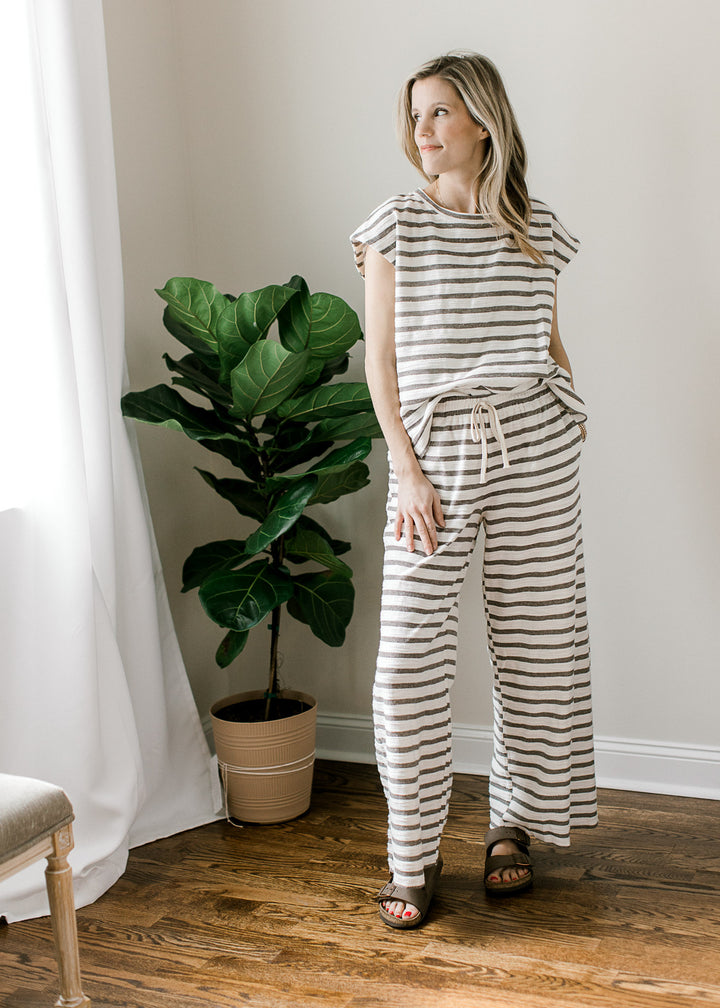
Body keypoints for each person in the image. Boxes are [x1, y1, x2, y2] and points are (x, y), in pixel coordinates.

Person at [349, 51, 598, 930]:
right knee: (409, 661)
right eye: (415, 114)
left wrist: (571, 419)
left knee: (535, 646)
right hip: (437, 450)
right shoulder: (395, 225)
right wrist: (407, 472)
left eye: (440, 112)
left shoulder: (537, 228)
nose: (422, 130)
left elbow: (547, 338)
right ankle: (411, 854)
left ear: (483, 121)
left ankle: (513, 826)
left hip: (535, 440)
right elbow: (379, 364)